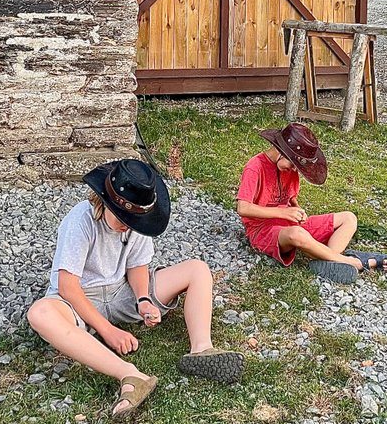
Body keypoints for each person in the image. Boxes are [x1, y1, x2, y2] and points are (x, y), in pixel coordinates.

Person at [27, 159, 244, 419]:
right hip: (80, 300)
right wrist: (108, 332)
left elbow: (137, 265)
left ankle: (201, 350)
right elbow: (68, 286)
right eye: (123, 218)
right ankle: (130, 375)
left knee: (197, 269)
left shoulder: (139, 219)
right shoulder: (80, 220)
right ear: (105, 202)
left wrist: (143, 299)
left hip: (121, 291)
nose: (127, 225)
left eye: (133, 220)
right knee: (40, 314)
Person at [235, 122, 387, 284]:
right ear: (281, 151)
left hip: (290, 224)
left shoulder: (289, 170)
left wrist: (297, 210)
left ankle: (328, 260)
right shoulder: (255, 167)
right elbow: (243, 207)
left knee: (349, 218)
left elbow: (290, 198)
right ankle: (355, 262)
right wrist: (283, 212)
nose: (294, 170)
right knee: (296, 234)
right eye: (292, 164)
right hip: (263, 231)